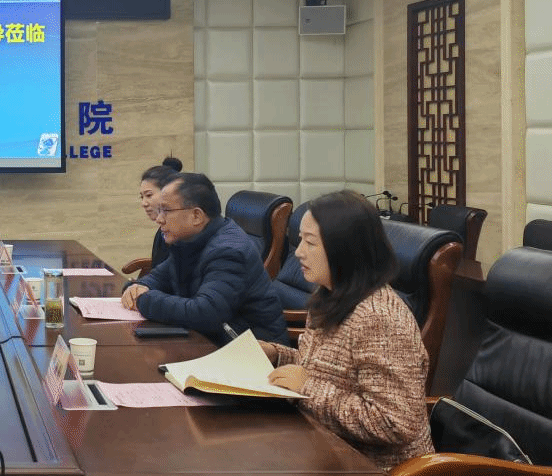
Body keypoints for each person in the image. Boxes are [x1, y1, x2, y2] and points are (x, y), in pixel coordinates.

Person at [259, 190, 433, 470]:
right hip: (323, 447)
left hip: (371, 466)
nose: (299, 252)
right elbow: (325, 370)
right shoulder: (330, 294)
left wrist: (307, 387)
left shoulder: (379, 317)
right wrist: (276, 356)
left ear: (345, 249)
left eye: (310, 242)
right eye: (300, 239)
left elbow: (394, 423)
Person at [121, 172, 287, 345]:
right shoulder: (189, 240)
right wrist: (135, 288)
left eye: (166, 211)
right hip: (209, 341)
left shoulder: (228, 251)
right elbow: (156, 279)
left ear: (196, 216)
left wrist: (143, 299)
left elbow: (206, 313)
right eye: (159, 211)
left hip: (250, 351)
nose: (159, 219)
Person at [139, 156, 184, 269]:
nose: (143, 203)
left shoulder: (183, 232)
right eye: (142, 197)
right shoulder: (163, 230)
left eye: (149, 195)